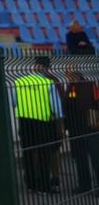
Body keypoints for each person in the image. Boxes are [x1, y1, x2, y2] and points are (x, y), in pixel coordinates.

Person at [13, 58, 64, 192]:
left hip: (24, 122)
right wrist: (60, 125)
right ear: (46, 68)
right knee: (43, 154)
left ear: (34, 66)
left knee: (28, 153)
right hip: (42, 123)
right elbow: (56, 108)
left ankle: (31, 185)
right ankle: (44, 186)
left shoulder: (20, 82)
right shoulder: (48, 83)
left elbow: (14, 102)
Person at [58, 65, 99, 194]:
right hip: (75, 128)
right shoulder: (69, 87)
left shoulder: (89, 85)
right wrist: (65, 126)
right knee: (80, 158)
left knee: (96, 157)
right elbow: (66, 107)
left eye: (69, 73)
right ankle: (84, 185)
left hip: (90, 127)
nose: (67, 75)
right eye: (67, 73)